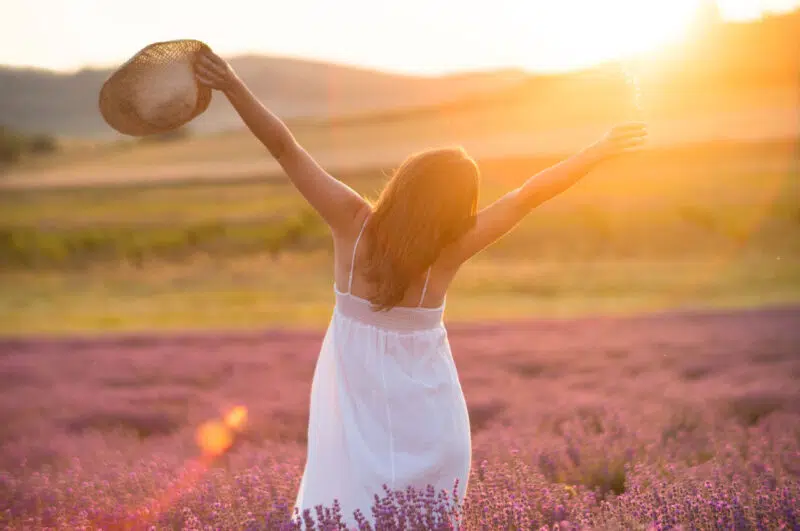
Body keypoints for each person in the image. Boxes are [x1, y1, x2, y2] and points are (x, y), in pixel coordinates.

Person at [193, 48, 647, 525]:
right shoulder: (448, 252)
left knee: (344, 514)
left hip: (353, 420)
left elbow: (284, 147)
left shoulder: (351, 221)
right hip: (434, 426)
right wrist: (598, 151)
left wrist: (233, 86)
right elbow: (526, 197)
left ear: (404, 182)